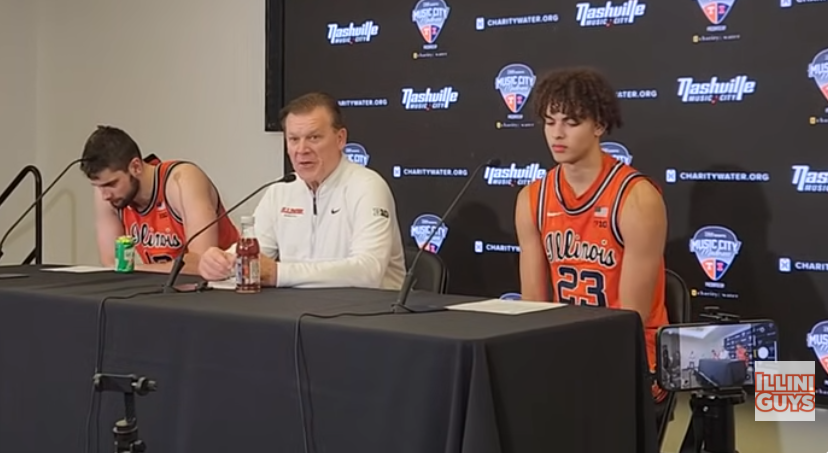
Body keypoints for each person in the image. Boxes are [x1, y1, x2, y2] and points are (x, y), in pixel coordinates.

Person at [514, 68, 669, 403]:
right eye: (549, 122)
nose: (557, 134)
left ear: (598, 126)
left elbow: (631, 320)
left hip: (632, 355)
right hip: (564, 348)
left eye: (571, 122)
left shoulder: (636, 198)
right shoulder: (532, 198)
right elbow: (532, 307)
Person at [198, 92, 406, 289]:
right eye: (294, 139)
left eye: (314, 138)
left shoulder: (367, 186)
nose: (302, 150)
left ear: (340, 139)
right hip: (299, 309)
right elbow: (250, 257)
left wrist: (279, 273)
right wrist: (220, 262)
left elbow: (369, 271)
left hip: (369, 310)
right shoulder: (281, 190)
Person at [81, 125, 240, 273]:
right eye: (98, 186)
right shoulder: (110, 195)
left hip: (223, 282)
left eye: (111, 184)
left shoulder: (181, 181)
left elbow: (201, 262)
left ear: (136, 167)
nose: (105, 195)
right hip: (161, 285)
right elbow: (111, 264)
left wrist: (136, 270)